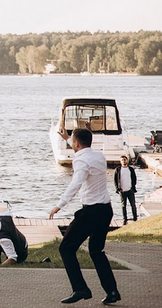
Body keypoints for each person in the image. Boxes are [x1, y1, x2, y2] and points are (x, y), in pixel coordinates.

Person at [50, 127, 121, 305]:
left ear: (76, 144)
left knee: (66, 248)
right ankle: (112, 291)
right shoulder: (98, 156)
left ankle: (80, 288)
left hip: (91, 212)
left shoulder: (81, 160)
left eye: (72, 142)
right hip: (105, 210)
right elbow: (82, 148)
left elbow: (76, 183)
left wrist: (59, 205)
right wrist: (68, 139)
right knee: (96, 251)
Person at [113, 156, 137, 224]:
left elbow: (134, 178)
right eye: (122, 160)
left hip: (130, 190)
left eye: (124, 160)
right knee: (123, 206)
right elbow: (115, 180)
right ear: (120, 161)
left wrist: (133, 188)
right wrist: (118, 189)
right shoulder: (118, 169)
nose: (124, 161)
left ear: (127, 160)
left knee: (133, 204)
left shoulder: (131, 169)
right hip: (122, 191)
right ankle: (124, 219)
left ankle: (135, 218)